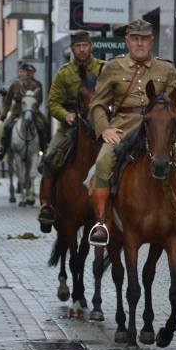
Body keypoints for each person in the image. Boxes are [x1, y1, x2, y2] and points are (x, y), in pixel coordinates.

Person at [88, 19, 176, 248]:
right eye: (135, 38)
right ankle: (102, 223)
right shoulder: (112, 67)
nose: (140, 43)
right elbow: (98, 104)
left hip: (159, 131)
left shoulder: (167, 68)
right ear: (127, 40)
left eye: (144, 39)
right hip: (123, 127)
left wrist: (166, 125)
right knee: (103, 163)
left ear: (151, 41)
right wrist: (104, 128)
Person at [37, 31, 105, 232]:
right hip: (70, 127)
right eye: (78, 46)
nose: (82, 49)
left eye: (85, 45)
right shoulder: (64, 73)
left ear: (91, 46)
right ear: (72, 49)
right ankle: (46, 205)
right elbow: (52, 102)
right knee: (50, 157)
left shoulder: (104, 69)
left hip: (99, 127)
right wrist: (66, 115)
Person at [1, 62, 48, 152]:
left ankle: (44, 147)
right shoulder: (14, 84)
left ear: (27, 73)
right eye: (20, 72)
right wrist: (4, 113)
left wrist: (32, 106)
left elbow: (39, 99)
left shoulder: (34, 85)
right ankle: (3, 148)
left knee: (42, 124)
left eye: (24, 72)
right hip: (17, 112)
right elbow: (8, 100)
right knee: (7, 126)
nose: (22, 74)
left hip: (31, 111)